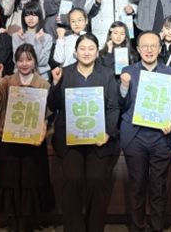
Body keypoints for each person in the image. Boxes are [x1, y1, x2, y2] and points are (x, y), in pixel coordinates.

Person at [48, 34, 120, 232]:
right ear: (75, 52)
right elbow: (53, 105)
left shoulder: (106, 74)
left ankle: (94, 227)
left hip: (99, 139)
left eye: (91, 49)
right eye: (82, 48)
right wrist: (55, 84)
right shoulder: (64, 73)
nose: (86, 52)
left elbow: (113, 107)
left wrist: (107, 133)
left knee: (97, 179)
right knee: (72, 179)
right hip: (70, 139)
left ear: (97, 52)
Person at [0, 45, 55, 230]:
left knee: (31, 180)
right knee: (9, 180)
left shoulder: (43, 84)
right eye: (20, 60)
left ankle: (27, 222)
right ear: (15, 62)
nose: (24, 64)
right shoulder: (7, 81)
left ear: (35, 62)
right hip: (8, 139)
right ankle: (12, 221)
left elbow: (48, 114)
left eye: (29, 59)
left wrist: (43, 128)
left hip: (33, 142)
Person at [119, 31, 171, 232]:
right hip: (135, 136)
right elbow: (121, 104)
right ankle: (137, 227)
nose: (149, 50)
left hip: (161, 136)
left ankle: (156, 227)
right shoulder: (128, 71)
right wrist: (124, 86)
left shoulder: (170, 73)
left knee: (158, 187)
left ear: (160, 49)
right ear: (138, 49)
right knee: (136, 186)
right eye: (145, 46)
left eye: (154, 46)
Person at [12, 2, 53, 79]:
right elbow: (17, 60)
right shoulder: (16, 36)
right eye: (27, 15)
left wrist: (38, 42)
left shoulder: (47, 37)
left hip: (41, 77)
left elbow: (42, 62)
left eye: (34, 15)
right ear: (23, 18)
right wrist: (22, 40)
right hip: (20, 76)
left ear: (39, 16)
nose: (30, 18)